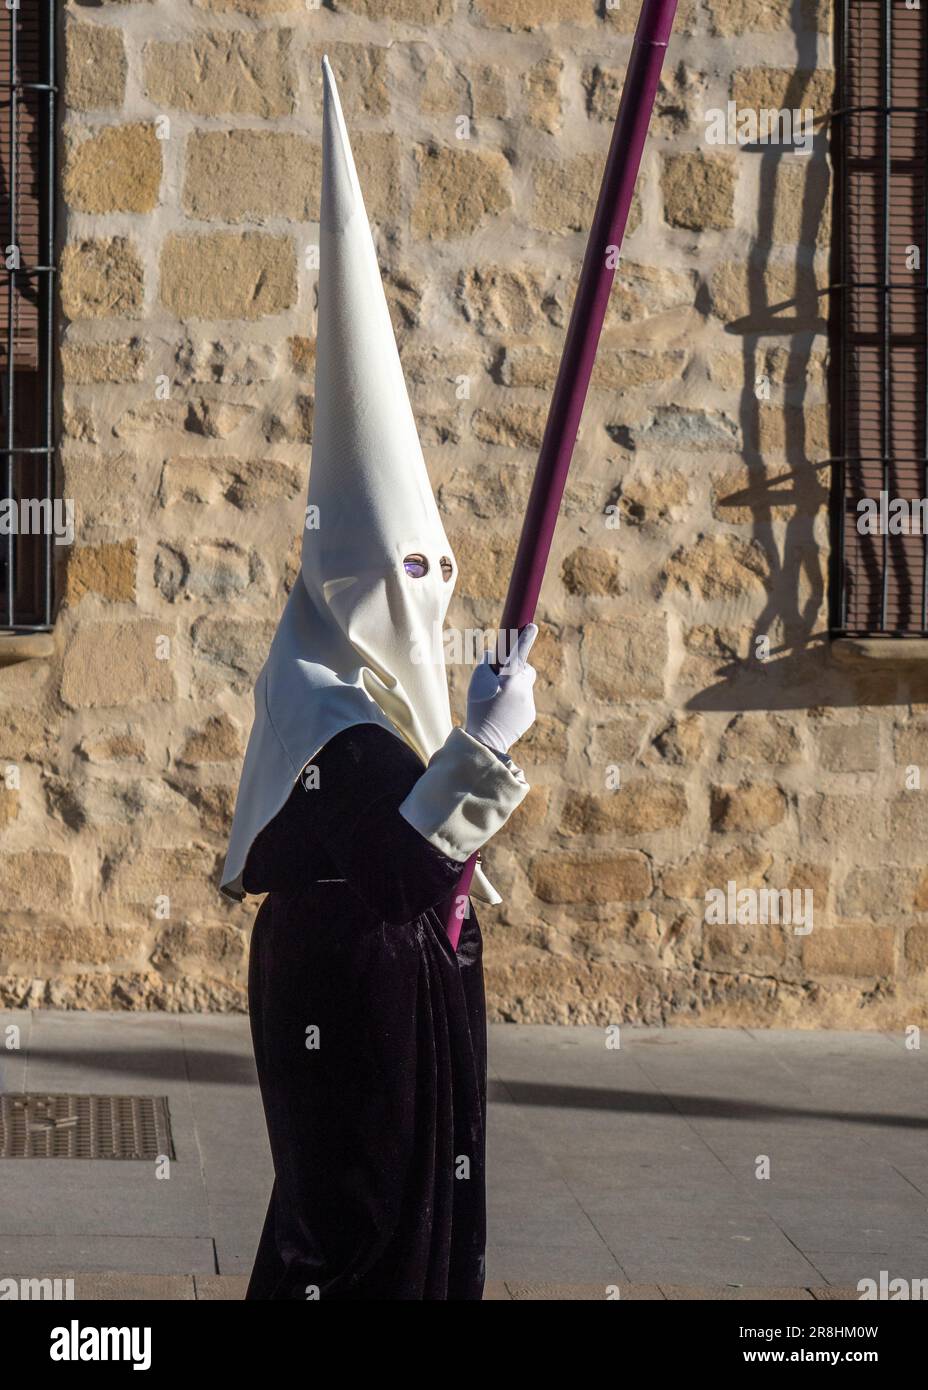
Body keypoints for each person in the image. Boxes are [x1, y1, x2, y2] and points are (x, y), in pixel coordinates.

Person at [219, 57, 537, 1301]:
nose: (424, 593)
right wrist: (484, 754)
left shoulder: (366, 696)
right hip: (348, 1016)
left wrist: (464, 741)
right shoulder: (327, 710)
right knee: (353, 1239)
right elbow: (400, 862)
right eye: (399, 569)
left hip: (398, 1013)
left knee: (397, 1230)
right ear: (348, 578)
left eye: (434, 566)